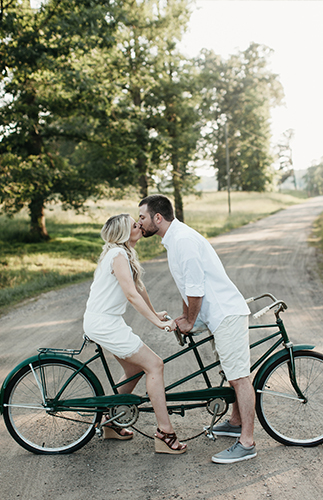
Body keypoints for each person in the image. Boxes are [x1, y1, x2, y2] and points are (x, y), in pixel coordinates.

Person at [138, 195, 256, 464]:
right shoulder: (174, 239)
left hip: (225, 313)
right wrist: (184, 316)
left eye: (142, 217)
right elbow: (187, 284)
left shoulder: (183, 240)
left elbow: (196, 289)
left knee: (239, 377)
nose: (139, 223)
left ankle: (247, 442)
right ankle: (236, 422)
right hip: (216, 315)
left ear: (158, 218)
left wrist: (190, 322)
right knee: (230, 371)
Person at [83, 213, 187, 455]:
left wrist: (155, 314)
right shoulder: (118, 255)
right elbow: (130, 294)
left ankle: (111, 421)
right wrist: (157, 324)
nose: (139, 225)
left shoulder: (123, 253)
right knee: (154, 365)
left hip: (105, 322)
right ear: (123, 233)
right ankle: (164, 432)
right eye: (134, 224)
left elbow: (140, 287)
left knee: (134, 369)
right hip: (105, 324)